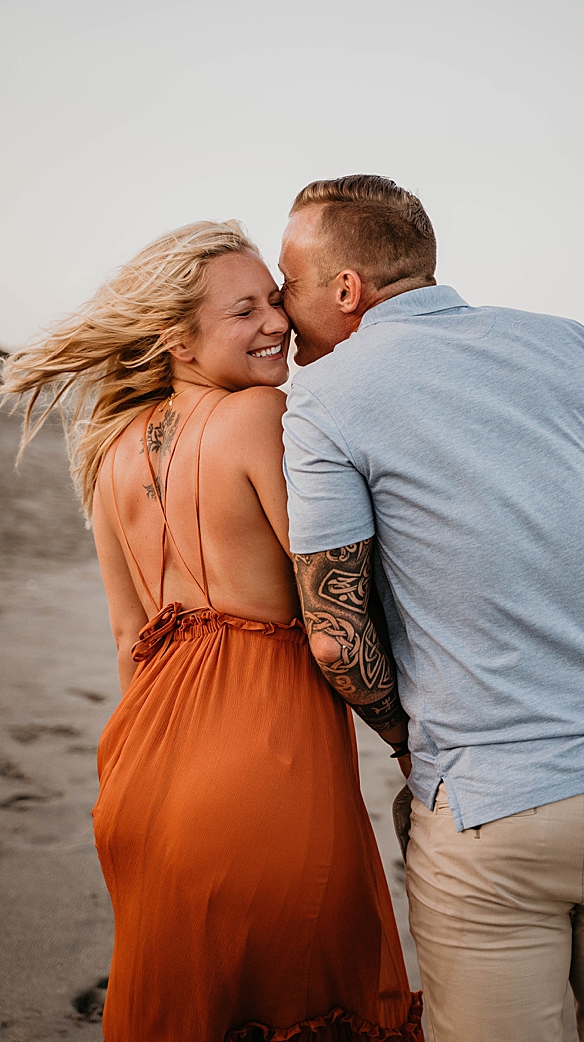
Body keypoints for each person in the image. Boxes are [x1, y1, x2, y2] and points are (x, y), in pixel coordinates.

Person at [276, 174, 584, 1042]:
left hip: (483, 804)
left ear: (345, 291)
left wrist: (404, 738)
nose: (282, 309)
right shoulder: (577, 344)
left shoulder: (322, 397)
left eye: (291, 281)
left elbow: (334, 635)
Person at [1, 222, 421, 1040]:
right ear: (178, 342)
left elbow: (130, 633)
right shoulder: (261, 415)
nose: (278, 323)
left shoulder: (110, 451)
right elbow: (334, 599)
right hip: (265, 765)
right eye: (245, 312)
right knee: (306, 1003)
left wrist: (154, 768)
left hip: (140, 773)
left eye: (275, 299)